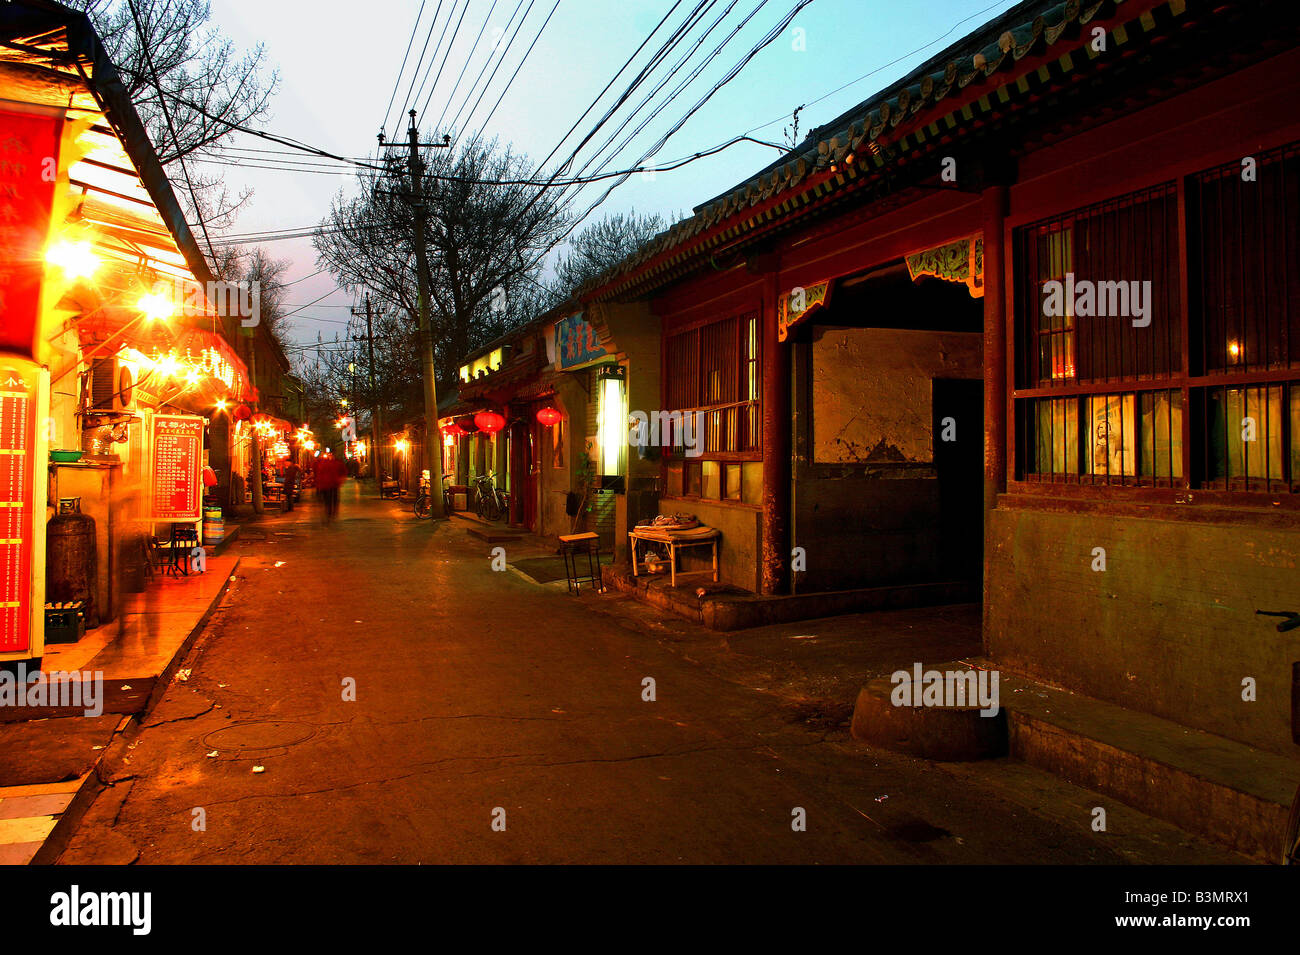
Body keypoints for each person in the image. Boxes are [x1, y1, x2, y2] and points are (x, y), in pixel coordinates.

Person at [315, 449, 344, 521]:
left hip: (331, 484)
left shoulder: (322, 463)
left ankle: (330, 512)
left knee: (329, 499)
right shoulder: (335, 463)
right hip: (329, 484)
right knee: (331, 499)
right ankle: (331, 512)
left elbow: (316, 471)